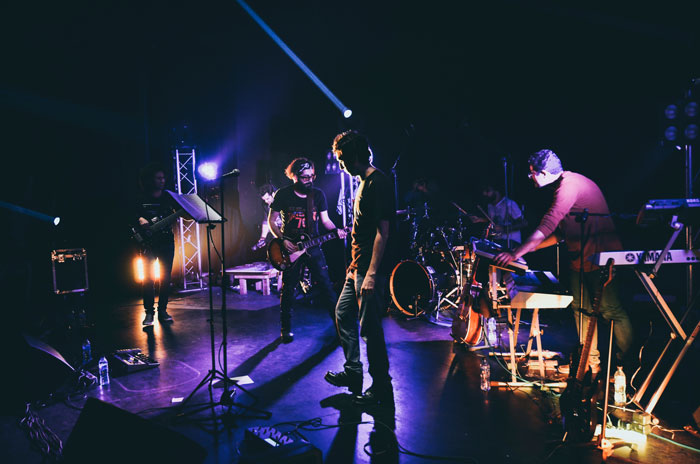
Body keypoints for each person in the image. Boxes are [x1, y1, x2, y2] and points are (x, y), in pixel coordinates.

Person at [494, 149, 633, 369]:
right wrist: (528, 249)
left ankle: (628, 364)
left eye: (532, 173)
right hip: (580, 259)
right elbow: (560, 233)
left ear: (544, 173)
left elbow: (548, 223)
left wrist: (516, 253)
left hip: (602, 258)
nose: (530, 177)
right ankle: (589, 363)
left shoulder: (569, 186)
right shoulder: (562, 186)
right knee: (580, 310)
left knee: (610, 310)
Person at [324, 130, 395, 406]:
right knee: (343, 313)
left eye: (342, 159)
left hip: (369, 270)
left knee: (370, 329)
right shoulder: (363, 183)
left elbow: (383, 233)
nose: (341, 165)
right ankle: (353, 372)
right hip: (357, 267)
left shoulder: (379, 183)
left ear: (355, 156)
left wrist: (372, 274)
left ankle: (381, 387)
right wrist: (353, 267)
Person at [268, 157, 347, 343]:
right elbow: (272, 221)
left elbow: (326, 221)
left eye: (312, 176)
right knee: (289, 289)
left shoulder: (317, 195)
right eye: (305, 177)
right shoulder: (283, 194)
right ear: (294, 176)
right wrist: (282, 239)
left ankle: (340, 329)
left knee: (327, 287)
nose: (309, 180)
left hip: (313, 247)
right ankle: (285, 328)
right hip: (290, 249)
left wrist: (337, 231)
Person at [136, 163, 177, 326]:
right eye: (158, 178)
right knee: (148, 279)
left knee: (165, 278)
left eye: (163, 178)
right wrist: (140, 219)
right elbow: (130, 214)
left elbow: (182, 213)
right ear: (150, 180)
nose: (162, 181)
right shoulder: (140, 197)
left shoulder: (168, 197)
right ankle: (149, 312)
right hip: (148, 242)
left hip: (166, 241)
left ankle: (163, 310)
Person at [470, 181, 527, 247]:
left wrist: (504, 228)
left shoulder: (509, 204)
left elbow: (523, 223)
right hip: (498, 242)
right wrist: (480, 219)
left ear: (497, 191)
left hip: (512, 242)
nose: (484, 193)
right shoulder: (490, 206)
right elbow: (492, 220)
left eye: (487, 191)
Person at [251, 183, 281, 251]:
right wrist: (263, 237)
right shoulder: (265, 205)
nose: (266, 201)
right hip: (276, 233)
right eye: (264, 200)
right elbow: (266, 221)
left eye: (267, 198)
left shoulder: (282, 201)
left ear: (273, 194)